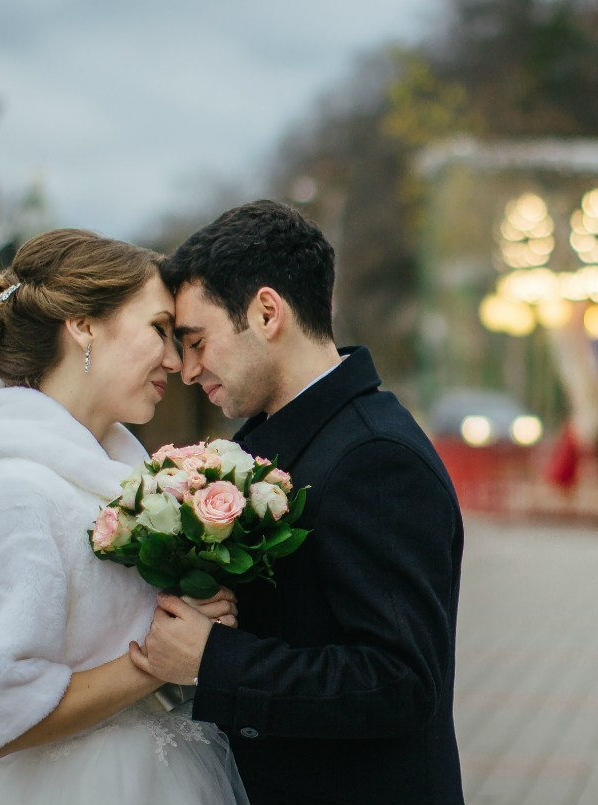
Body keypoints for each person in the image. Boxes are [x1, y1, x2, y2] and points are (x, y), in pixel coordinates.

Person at [0, 229, 247, 805]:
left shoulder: (119, 477)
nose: (176, 361)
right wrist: (156, 662)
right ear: (83, 325)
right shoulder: (15, 491)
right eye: (158, 330)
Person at [131, 200, 466, 805]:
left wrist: (216, 660)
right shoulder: (269, 440)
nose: (186, 369)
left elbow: (401, 681)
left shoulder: (375, 458)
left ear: (266, 312)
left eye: (197, 341)